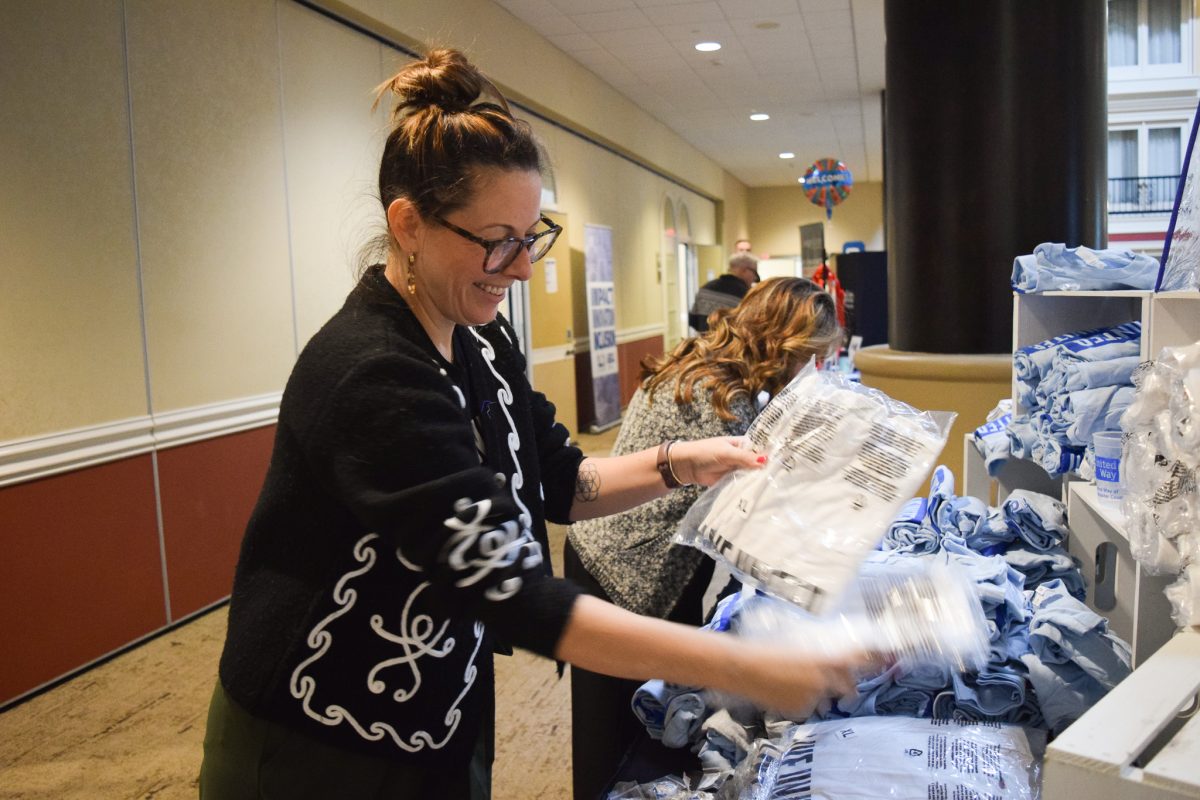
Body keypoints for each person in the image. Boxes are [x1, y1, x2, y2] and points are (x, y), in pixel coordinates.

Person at [198, 48, 865, 800]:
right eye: (497, 241)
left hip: (439, 704)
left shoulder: (481, 340)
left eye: (530, 236)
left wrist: (683, 461)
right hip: (316, 736)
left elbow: (562, 480)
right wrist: (751, 666)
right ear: (408, 224)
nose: (521, 268)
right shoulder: (372, 371)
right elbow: (513, 592)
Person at [565, 277, 841, 799]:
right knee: (628, 735)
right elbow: (756, 511)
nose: (813, 369)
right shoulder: (727, 399)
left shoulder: (700, 361)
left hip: (616, 552)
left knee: (631, 719)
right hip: (629, 569)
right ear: (786, 346)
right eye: (812, 357)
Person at [687, 251, 760, 332]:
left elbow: (693, 321)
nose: (755, 278)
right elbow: (752, 328)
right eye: (755, 272)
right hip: (734, 340)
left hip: (705, 339)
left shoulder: (705, 289)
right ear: (744, 270)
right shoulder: (747, 295)